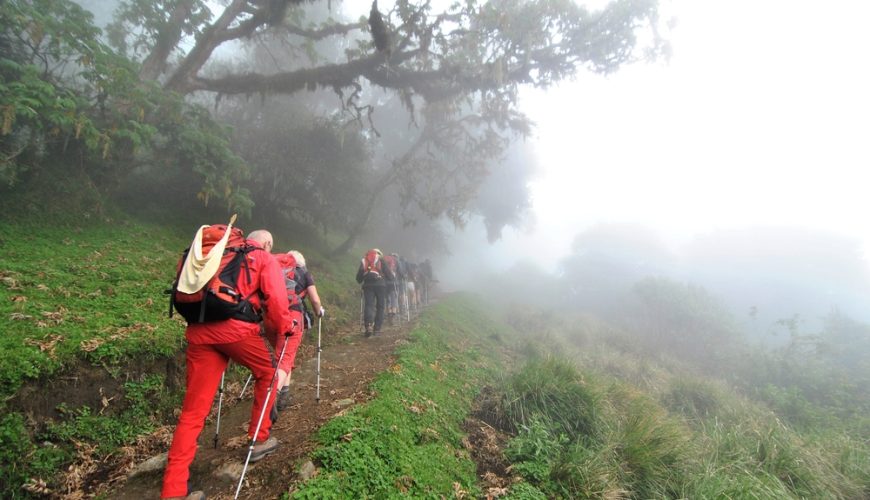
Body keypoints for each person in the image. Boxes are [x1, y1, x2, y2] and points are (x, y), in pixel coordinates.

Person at [162, 228, 297, 500]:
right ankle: (259, 439)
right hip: (237, 331)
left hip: (199, 331)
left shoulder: (204, 254)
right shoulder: (259, 256)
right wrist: (285, 328)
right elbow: (278, 302)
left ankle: (173, 490)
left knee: (192, 412)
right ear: (268, 243)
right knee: (269, 374)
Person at [272, 249, 325, 411]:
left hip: (271, 316)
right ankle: (270, 398)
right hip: (292, 316)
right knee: (285, 357)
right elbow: (315, 299)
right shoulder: (304, 273)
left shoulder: (274, 269)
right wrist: (319, 312)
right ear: (301, 263)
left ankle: (284, 395)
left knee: (283, 355)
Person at [355, 248, 394, 336]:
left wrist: (363, 278)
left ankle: (368, 326)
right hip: (380, 285)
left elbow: (358, 278)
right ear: (379, 253)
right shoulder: (381, 259)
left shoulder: (364, 260)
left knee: (369, 305)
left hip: (368, 285)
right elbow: (389, 275)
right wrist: (388, 278)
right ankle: (377, 329)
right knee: (380, 307)